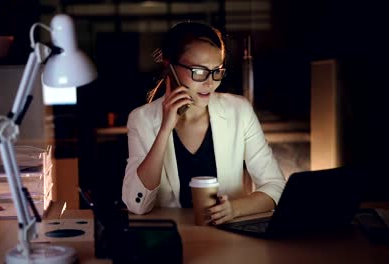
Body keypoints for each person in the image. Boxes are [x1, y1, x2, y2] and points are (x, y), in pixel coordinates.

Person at [122, 21, 285, 226]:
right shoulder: (141, 119)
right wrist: (164, 130)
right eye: (199, 71)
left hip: (229, 238)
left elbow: (276, 186)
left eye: (217, 71)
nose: (210, 83)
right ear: (169, 65)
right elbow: (137, 204)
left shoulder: (239, 111)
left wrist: (234, 209)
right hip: (173, 240)